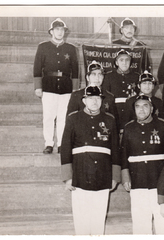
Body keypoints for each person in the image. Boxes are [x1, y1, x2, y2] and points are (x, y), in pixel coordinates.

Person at [61, 86, 120, 235]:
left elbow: (116, 149)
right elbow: (66, 147)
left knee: (99, 216)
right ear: (84, 100)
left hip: (103, 174)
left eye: (97, 98)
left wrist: (115, 176)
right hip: (80, 173)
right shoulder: (73, 118)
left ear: (101, 100)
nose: (94, 101)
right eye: (91, 98)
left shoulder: (109, 119)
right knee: (81, 217)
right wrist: (68, 177)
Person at [121, 95, 164, 234]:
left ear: (152, 108)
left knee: (163, 220)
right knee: (140, 222)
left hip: (159, 180)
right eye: (138, 106)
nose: (141, 109)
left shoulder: (162, 125)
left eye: (145, 106)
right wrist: (125, 177)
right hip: (137, 180)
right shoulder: (129, 128)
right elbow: (124, 155)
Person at [33, 18, 79, 154]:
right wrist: (38, 86)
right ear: (51, 31)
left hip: (65, 86)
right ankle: (48, 143)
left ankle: (61, 144)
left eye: (62, 30)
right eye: (57, 29)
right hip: (48, 85)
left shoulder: (71, 48)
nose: (60, 32)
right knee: (48, 116)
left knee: (63, 117)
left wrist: (75, 88)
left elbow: (75, 70)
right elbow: (37, 68)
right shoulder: (43, 47)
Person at [102, 49, 140, 134]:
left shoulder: (136, 77)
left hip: (131, 112)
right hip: (114, 111)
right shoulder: (108, 76)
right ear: (116, 62)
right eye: (121, 60)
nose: (124, 62)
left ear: (130, 62)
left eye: (127, 60)